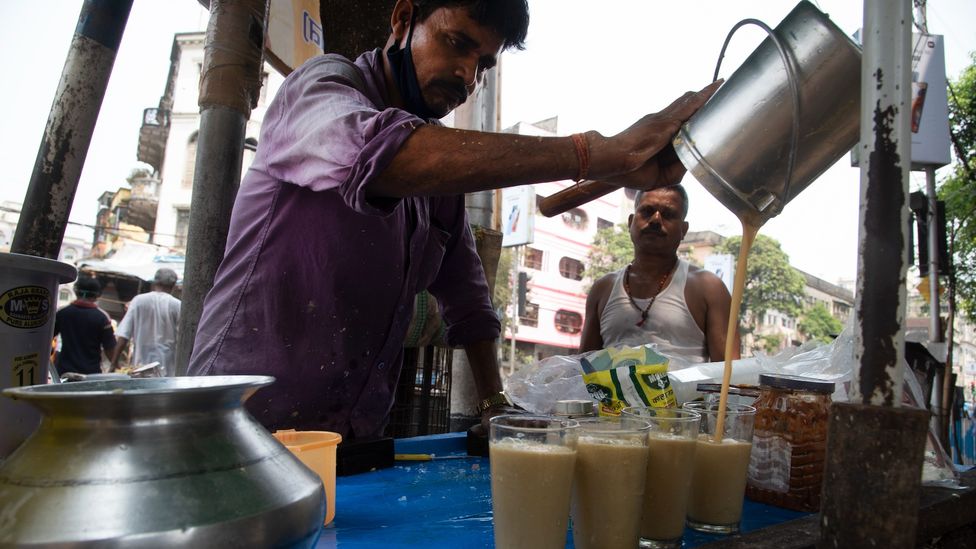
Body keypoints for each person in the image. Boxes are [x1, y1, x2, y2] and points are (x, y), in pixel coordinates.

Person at [187, 0, 720, 439]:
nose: (467, 74)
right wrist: (595, 152)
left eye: (483, 63)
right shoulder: (321, 88)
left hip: (349, 441)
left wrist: (493, 402)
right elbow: (386, 158)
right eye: (457, 43)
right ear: (402, 20)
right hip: (238, 429)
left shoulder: (437, 181)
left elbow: (468, 299)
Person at [580, 185, 740, 363]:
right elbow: (583, 368)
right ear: (630, 221)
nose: (656, 220)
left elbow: (729, 376)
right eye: (647, 211)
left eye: (668, 214)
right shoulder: (603, 289)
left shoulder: (708, 288)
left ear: (683, 230)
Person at [111, 268, 181, 375]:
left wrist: (113, 363)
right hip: (167, 368)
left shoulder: (138, 301)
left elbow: (124, 335)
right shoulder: (177, 305)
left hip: (141, 367)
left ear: (154, 283)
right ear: (173, 286)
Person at [53, 275, 116, 376]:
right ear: (98, 295)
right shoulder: (102, 318)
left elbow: (47, 338)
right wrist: (115, 367)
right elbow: (110, 349)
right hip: (90, 374)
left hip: (63, 372)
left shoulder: (62, 313)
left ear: (76, 291)